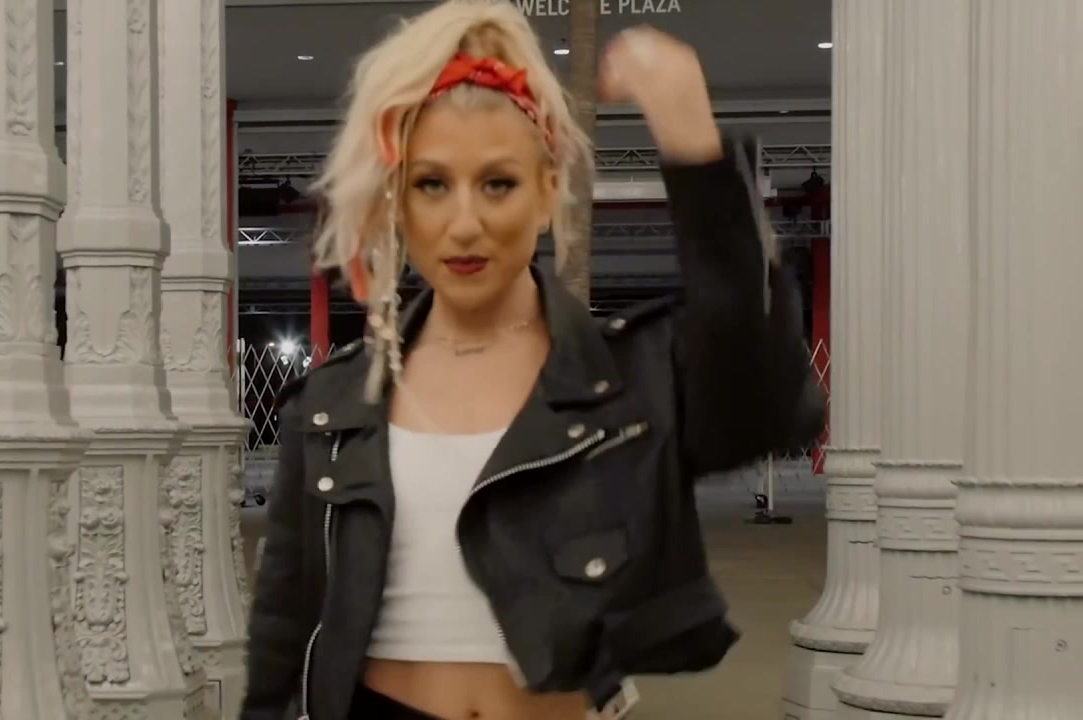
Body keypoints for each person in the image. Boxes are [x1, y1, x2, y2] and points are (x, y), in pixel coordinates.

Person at [241, 1, 826, 718]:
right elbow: (282, 637)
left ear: (550, 190)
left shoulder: (619, 379)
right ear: (398, 202)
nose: (464, 223)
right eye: (432, 184)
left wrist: (694, 147)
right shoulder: (330, 407)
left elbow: (768, 404)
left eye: (498, 183)